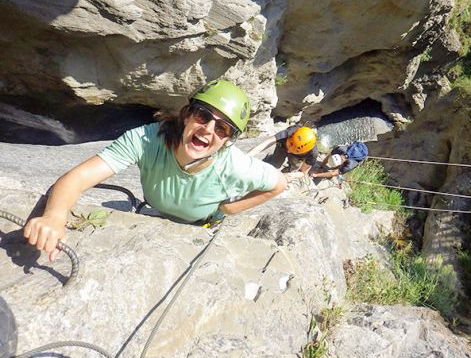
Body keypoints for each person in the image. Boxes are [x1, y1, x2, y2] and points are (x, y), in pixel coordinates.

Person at [23, 80, 287, 261]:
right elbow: (79, 177)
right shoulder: (146, 140)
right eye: (203, 115)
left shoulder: (236, 166)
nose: (208, 129)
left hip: (201, 223)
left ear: (228, 140)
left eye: (222, 128)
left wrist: (229, 209)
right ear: (187, 115)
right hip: (159, 209)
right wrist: (54, 216)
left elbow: (278, 184)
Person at [247, 125, 318, 181]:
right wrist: (246, 156)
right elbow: (265, 144)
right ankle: (273, 159)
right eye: (289, 146)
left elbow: (303, 172)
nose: (288, 151)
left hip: (298, 157)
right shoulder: (287, 133)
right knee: (275, 165)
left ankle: (288, 171)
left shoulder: (312, 154)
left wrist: (292, 175)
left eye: (292, 150)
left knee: (294, 168)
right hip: (283, 146)